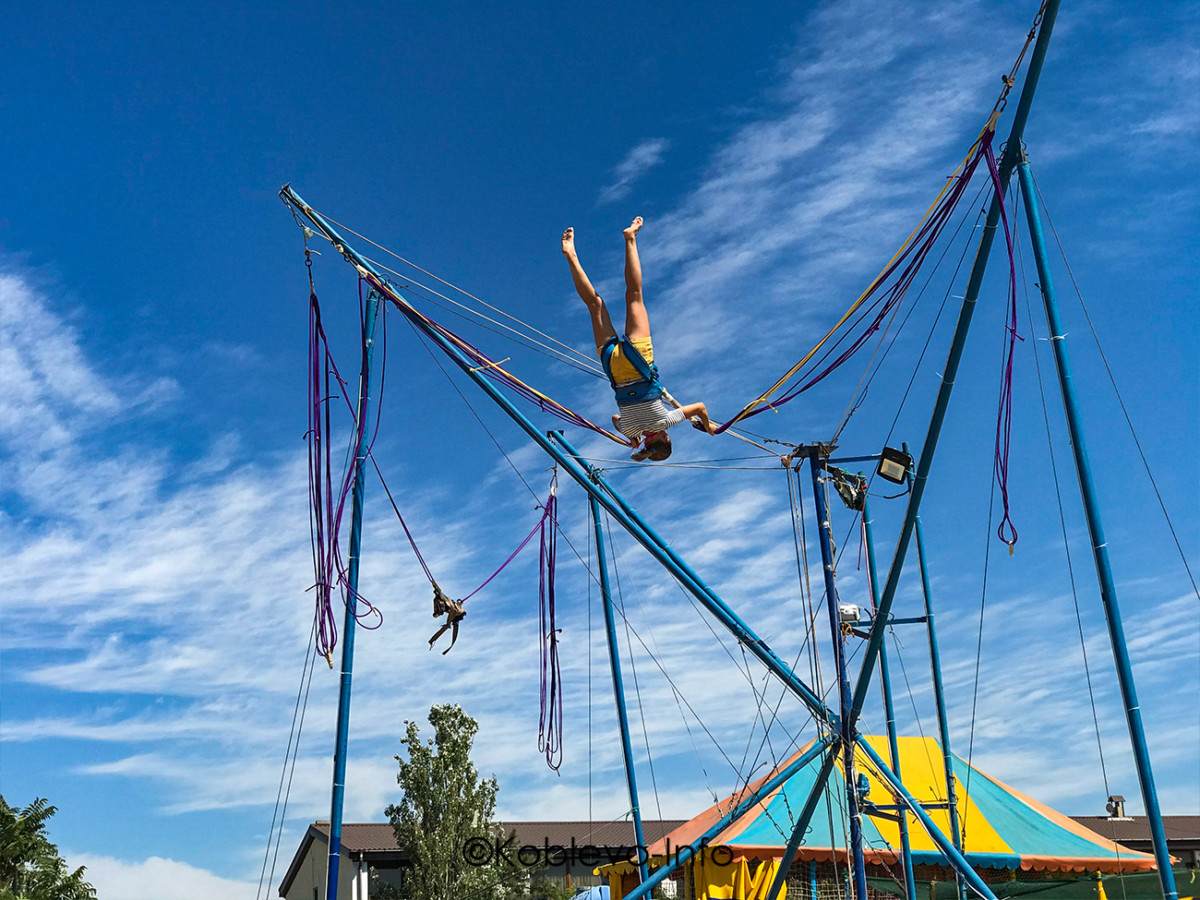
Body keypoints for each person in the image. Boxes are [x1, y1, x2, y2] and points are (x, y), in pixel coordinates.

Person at [562, 217, 715, 461]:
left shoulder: (665, 421)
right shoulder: (630, 430)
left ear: (665, 438)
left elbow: (700, 407)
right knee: (594, 304)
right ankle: (570, 255)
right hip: (613, 367)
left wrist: (708, 426)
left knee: (634, 295)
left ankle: (630, 238)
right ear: (647, 443)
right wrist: (633, 438)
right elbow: (615, 419)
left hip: (639, 363)